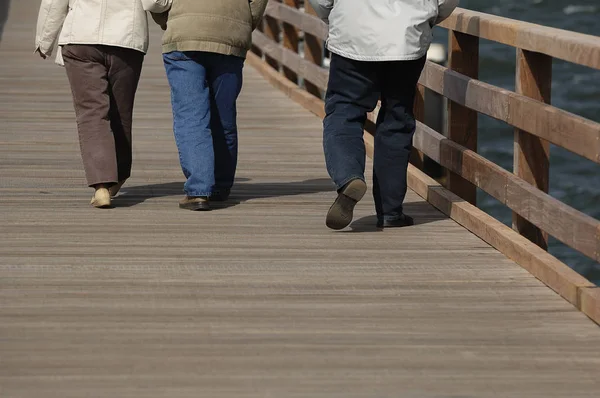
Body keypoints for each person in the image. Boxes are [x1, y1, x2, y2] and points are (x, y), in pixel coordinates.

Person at [309, 0, 459, 230]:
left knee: (344, 109)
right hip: (407, 35)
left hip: (354, 30)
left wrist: (334, 15)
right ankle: (390, 212)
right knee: (396, 119)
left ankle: (349, 176)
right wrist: (425, 17)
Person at [35, 0, 172, 208]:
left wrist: (45, 39)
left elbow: (54, 1)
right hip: (127, 40)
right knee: (121, 112)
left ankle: (101, 185)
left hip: (81, 36)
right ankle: (117, 176)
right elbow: (155, 2)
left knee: (91, 113)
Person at [152, 0, 268, 211]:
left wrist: (168, 20)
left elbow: (154, 2)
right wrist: (242, 20)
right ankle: (220, 186)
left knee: (191, 116)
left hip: (184, 34)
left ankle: (199, 190)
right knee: (224, 115)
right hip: (230, 33)